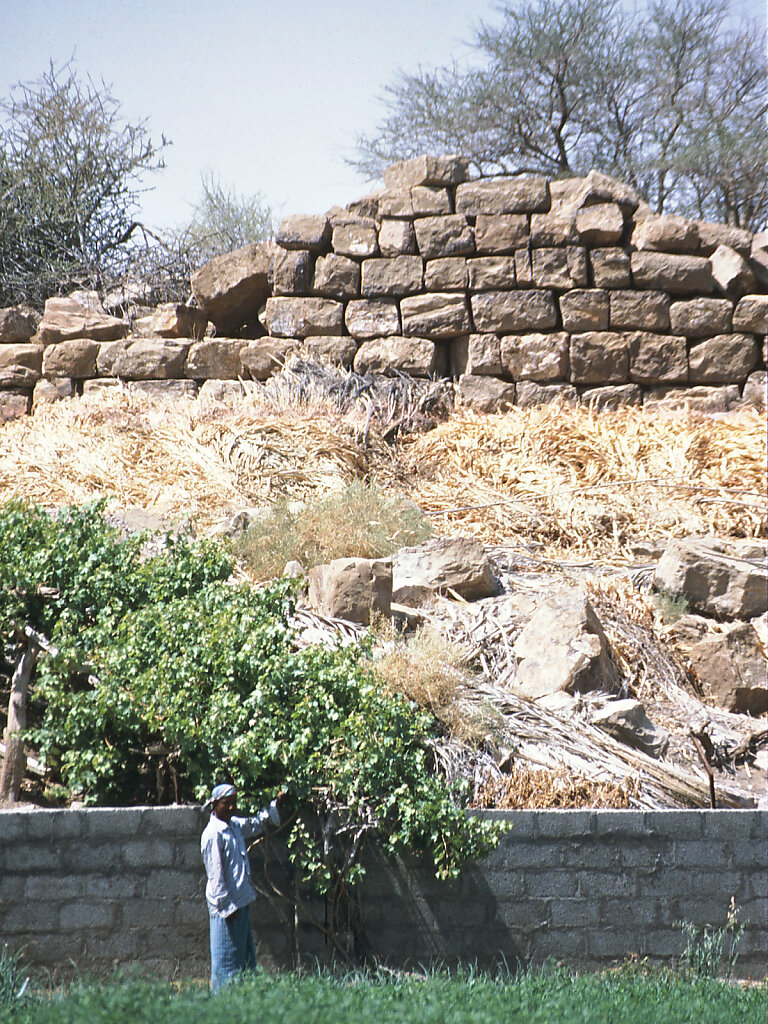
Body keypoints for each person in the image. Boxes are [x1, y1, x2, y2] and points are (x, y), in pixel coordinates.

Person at [200, 782, 286, 991]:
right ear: (214, 805)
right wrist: (227, 908)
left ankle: (242, 1007)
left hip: (241, 903)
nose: (231, 807)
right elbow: (216, 876)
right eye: (225, 803)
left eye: (233, 803)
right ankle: (221, 1008)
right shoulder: (213, 834)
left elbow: (256, 823)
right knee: (226, 966)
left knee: (245, 962)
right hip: (227, 910)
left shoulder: (234, 825)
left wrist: (275, 804)